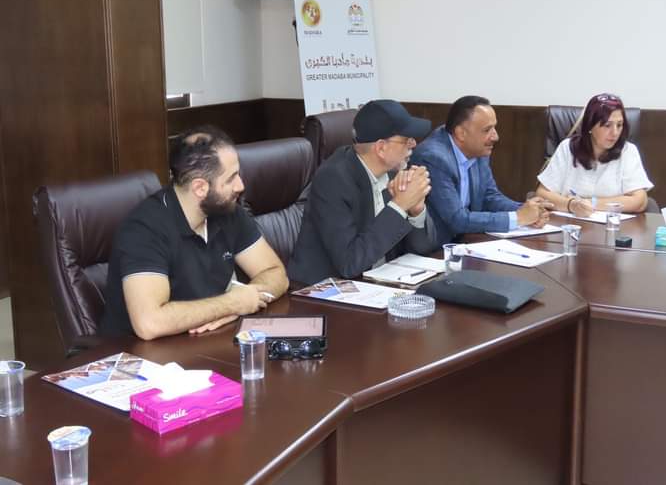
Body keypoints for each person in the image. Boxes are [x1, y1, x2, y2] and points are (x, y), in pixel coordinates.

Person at [101, 125, 288, 340]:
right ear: (200, 188)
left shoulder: (226, 210)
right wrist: (232, 303)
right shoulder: (144, 229)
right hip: (139, 352)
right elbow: (149, 323)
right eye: (231, 178)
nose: (240, 185)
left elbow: (276, 273)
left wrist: (244, 301)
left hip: (202, 342)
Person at [288, 99, 437, 285]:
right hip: (325, 289)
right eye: (406, 140)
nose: (413, 144)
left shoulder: (393, 171)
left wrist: (416, 211)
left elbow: (421, 250)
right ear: (381, 148)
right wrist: (399, 206)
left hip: (379, 283)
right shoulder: (333, 180)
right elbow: (350, 264)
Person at [410, 95, 551, 245]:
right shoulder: (433, 158)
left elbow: (489, 197)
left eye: (494, 127)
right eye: (487, 130)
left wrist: (528, 210)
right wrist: (518, 218)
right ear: (461, 133)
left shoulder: (477, 149)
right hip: (436, 247)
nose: (495, 136)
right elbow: (457, 219)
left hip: (467, 241)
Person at [536, 93, 653, 215]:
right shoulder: (568, 148)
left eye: (619, 125)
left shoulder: (628, 151)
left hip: (613, 224)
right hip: (570, 222)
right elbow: (542, 193)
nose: (615, 132)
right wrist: (572, 205)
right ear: (590, 125)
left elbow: (640, 201)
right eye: (607, 125)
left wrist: (592, 203)